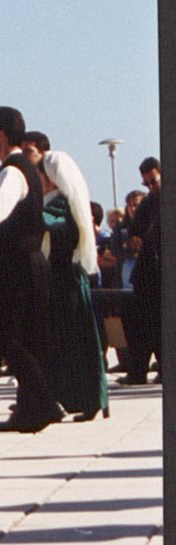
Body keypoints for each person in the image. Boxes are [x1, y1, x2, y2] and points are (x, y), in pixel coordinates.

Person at [0, 106, 63, 433]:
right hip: (25, 262)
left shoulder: (12, 173)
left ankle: (43, 403)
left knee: (8, 336)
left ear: (2, 135)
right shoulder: (22, 169)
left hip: (15, 266)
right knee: (24, 338)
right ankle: (30, 409)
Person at [38, 151, 109, 421]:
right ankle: (80, 399)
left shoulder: (59, 205)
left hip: (66, 280)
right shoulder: (60, 202)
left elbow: (48, 224)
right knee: (74, 343)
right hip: (65, 280)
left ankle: (89, 400)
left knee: (77, 343)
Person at [120, 157, 161, 385]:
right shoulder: (149, 202)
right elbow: (134, 231)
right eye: (146, 183)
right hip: (148, 273)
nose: (151, 187)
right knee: (142, 327)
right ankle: (138, 371)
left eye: (153, 181)